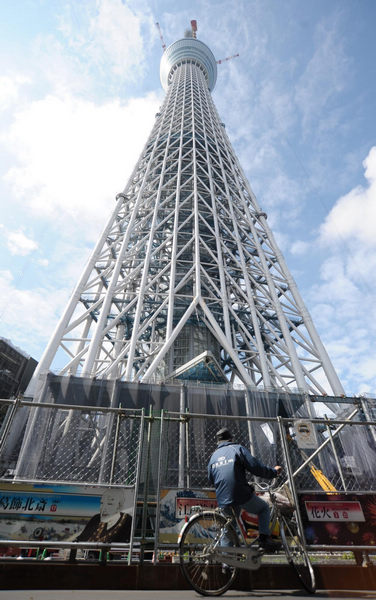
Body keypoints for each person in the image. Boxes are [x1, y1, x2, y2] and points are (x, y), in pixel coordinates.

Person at [208, 427, 282, 552]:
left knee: (228, 529)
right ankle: (264, 540)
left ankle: (227, 565)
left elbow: (211, 479)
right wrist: (273, 472)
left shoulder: (213, 456)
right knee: (264, 508)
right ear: (231, 439)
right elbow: (255, 467)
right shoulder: (237, 448)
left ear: (218, 442)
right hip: (240, 494)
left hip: (222, 496)